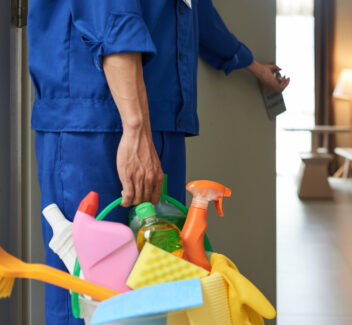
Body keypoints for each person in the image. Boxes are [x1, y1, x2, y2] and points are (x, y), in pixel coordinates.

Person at [28, 0, 289, 324]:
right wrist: (135, 127)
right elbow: (111, 12)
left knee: (158, 289)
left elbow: (193, 9)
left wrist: (251, 65)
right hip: (95, 123)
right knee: (87, 297)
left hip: (160, 121)